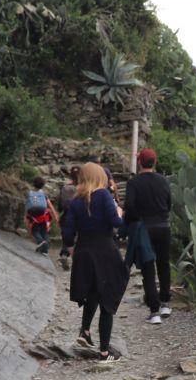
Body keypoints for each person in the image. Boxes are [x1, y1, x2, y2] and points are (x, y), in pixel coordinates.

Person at [63, 162, 129, 362]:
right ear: (99, 176)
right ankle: (104, 353)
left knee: (92, 291)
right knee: (107, 300)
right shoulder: (104, 196)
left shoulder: (75, 202)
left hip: (84, 252)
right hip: (105, 251)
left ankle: (85, 331)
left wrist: (72, 246)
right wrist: (119, 213)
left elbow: (67, 234)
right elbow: (117, 224)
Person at [123, 148, 174, 324]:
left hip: (145, 228)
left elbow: (129, 205)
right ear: (155, 162)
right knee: (164, 265)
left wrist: (135, 220)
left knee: (148, 268)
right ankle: (166, 303)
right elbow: (169, 204)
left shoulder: (134, 183)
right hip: (163, 226)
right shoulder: (164, 181)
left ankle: (154, 312)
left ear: (140, 162)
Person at [24, 176, 59, 255]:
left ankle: (41, 242)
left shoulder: (29, 193)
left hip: (33, 216)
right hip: (43, 216)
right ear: (43, 185)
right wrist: (55, 215)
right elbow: (50, 205)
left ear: (33, 184)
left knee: (35, 230)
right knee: (44, 231)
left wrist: (25, 217)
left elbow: (27, 205)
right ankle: (45, 250)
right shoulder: (44, 193)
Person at [56, 166, 79, 269]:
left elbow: (60, 205)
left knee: (67, 237)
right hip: (80, 216)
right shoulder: (84, 188)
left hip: (67, 215)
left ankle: (65, 254)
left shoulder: (65, 188)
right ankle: (78, 261)